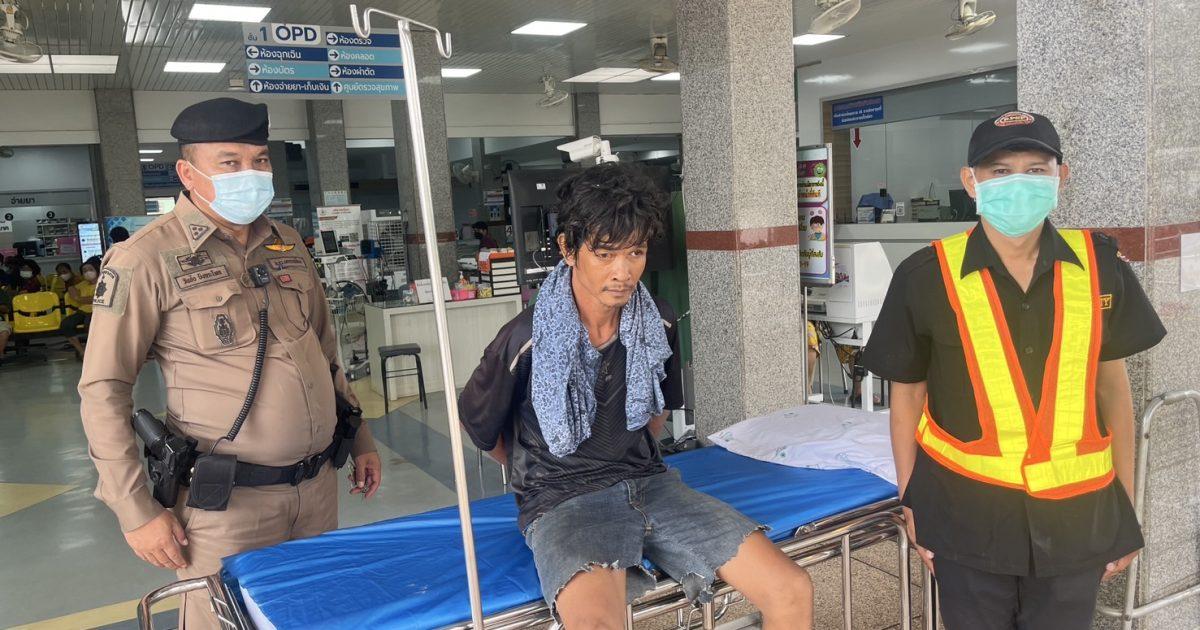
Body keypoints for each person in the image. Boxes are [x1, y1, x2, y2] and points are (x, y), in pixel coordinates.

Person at [459, 163, 813, 629]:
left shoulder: (657, 321)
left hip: (652, 484)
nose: (623, 272)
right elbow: (481, 427)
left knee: (792, 589)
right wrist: (542, 471)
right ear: (567, 248)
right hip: (564, 500)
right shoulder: (524, 339)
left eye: (636, 252)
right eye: (605, 254)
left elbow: (655, 413)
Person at [78, 97, 382, 630]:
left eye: (260, 160)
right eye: (230, 162)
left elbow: (325, 351)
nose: (251, 174)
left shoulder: (287, 244)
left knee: (314, 616)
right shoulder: (144, 258)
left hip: (316, 491)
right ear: (187, 173)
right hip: (225, 506)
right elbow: (104, 387)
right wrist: (135, 509)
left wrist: (360, 438)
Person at [862, 110, 1166, 630]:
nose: (1018, 183)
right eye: (1000, 171)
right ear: (970, 181)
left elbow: (1113, 388)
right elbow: (907, 396)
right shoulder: (925, 276)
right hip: (964, 520)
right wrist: (911, 501)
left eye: (1035, 169)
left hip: (1077, 521)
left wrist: (1125, 506)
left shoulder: (1100, 268)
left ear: (1060, 177)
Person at [59, 261, 97, 360]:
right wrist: (77, 297)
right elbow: (71, 289)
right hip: (82, 311)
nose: (87, 272)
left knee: (89, 324)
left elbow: (96, 299)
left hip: (97, 311)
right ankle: (81, 351)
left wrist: (79, 299)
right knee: (66, 324)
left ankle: (94, 351)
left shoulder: (103, 282)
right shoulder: (83, 284)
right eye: (84, 271)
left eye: (90, 269)